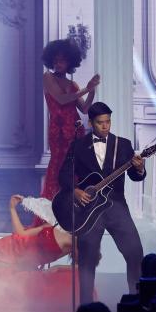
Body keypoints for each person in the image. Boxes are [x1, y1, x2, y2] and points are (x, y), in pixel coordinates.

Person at [59, 102, 145, 303]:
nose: (105, 126)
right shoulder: (78, 146)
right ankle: (85, 310)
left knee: (135, 253)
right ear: (91, 123)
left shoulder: (122, 144)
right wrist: (75, 192)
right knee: (87, 260)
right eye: (100, 123)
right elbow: (63, 175)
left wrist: (140, 168)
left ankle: (138, 305)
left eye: (108, 122)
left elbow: (135, 175)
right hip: (89, 211)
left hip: (116, 207)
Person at [41, 39, 99, 200]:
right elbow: (61, 99)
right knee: (58, 166)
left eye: (63, 60)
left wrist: (92, 91)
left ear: (70, 62)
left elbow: (85, 109)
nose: (58, 63)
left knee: (74, 166)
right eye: (56, 60)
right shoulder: (48, 77)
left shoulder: (73, 84)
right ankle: (52, 207)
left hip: (75, 129)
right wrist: (86, 89)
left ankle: (72, 207)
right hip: (58, 130)